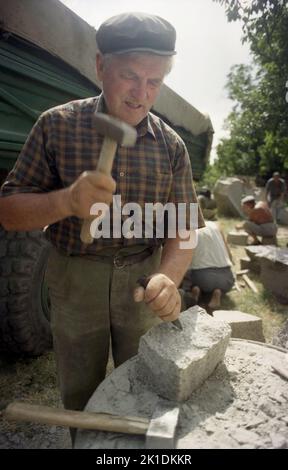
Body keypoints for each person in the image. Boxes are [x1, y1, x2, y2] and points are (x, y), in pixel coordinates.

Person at [0, 11, 204, 435]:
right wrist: (65, 201)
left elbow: (184, 228)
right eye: (130, 76)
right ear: (100, 66)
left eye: (154, 82)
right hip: (75, 279)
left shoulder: (172, 146)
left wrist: (168, 277)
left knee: (145, 383)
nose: (140, 94)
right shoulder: (56, 126)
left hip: (143, 279)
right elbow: (9, 209)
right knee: (82, 393)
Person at [180, 221, 234, 312]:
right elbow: (230, 256)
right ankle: (217, 292)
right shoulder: (216, 225)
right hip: (225, 277)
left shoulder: (186, 228)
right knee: (221, 285)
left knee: (189, 280)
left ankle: (195, 289)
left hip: (201, 277)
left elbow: (181, 261)